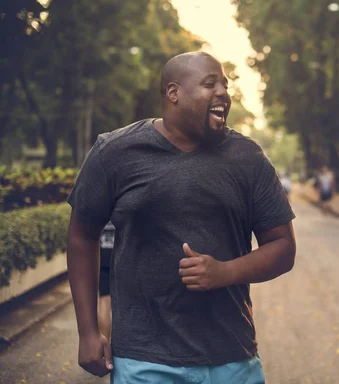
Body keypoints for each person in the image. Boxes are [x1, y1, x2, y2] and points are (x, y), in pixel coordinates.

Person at [67, 51, 296, 383]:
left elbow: (283, 247)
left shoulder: (248, 158)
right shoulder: (115, 152)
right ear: (173, 93)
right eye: (209, 84)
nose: (223, 92)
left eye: (224, 84)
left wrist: (225, 272)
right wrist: (87, 332)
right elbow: (81, 237)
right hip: (144, 362)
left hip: (231, 359)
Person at [97, 221, 115, 342]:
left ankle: (105, 343)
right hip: (121, 257)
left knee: (104, 300)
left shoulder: (102, 204)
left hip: (103, 257)